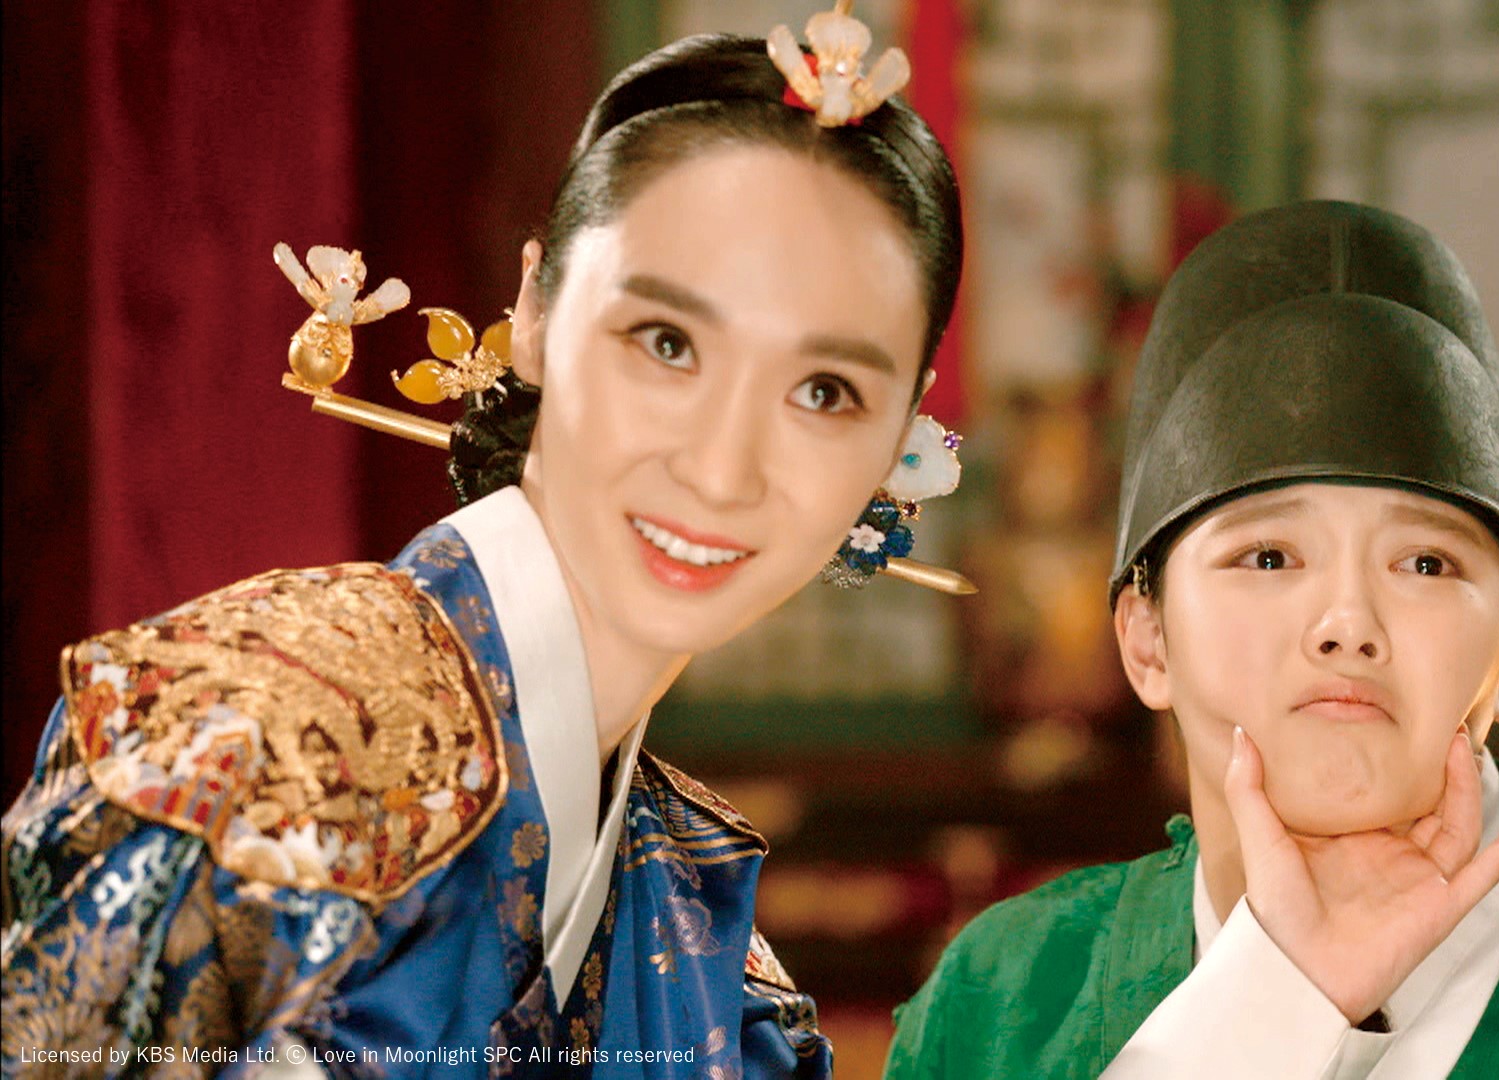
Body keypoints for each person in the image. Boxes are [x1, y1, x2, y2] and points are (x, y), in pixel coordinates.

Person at [2, 15, 961, 1077]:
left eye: (824, 392)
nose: (723, 469)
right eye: (667, 343)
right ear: (536, 311)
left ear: (900, 435)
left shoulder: (708, 943)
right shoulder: (255, 740)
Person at [885, 202, 1499, 1077]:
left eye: (1425, 564)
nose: (1347, 626)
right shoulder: (1002, 1003)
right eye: (1269, 556)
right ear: (1146, 641)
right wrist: (1269, 1011)